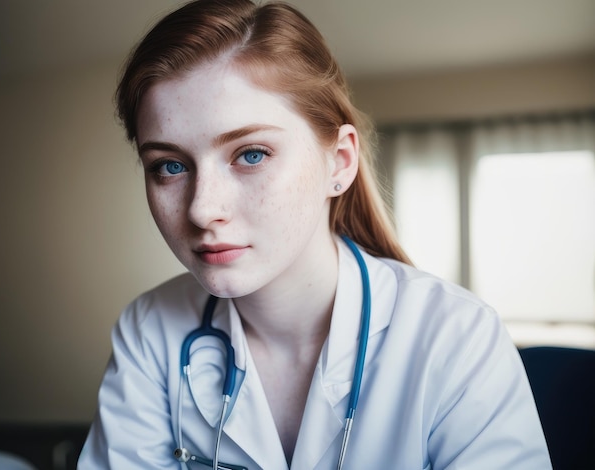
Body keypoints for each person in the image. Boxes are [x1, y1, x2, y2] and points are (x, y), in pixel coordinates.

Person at [78, 0, 551, 468]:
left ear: (339, 161)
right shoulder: (149, 333)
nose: (203, 209)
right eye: (171, 166)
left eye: (251, 154)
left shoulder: (456, 337)